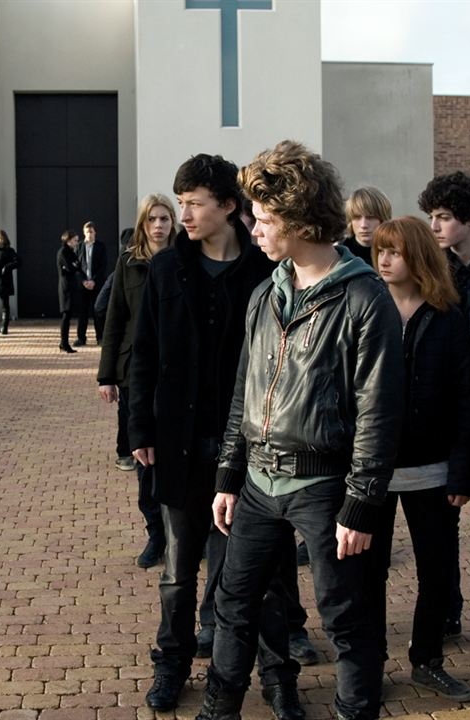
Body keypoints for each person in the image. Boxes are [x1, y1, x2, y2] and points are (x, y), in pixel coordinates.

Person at [196, 141, 404, 720]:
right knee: (233, 602)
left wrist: (361, 504)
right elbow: (244, 391)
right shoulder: (266, 293)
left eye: (263, 218)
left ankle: (355, 709)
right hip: (259, 485)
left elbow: (379, 411)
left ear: (298, 218)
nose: (253, 228)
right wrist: (228, 476)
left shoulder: (364, 298)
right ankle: (220, 709)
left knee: (345, 615)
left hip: (326, 485)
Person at [129, 153, 302, 717]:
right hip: (180, 442)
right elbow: (143, 356)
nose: (184, 214)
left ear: (229, 206)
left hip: (254, 448)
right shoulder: (164, 270)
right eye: (180, 203)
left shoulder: (266, 272)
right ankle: (173, 666)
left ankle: (279, 677)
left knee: (267, 571)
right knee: (179, 573)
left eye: (195, 203)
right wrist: (138, 428)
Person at [368, 216, 470, 703]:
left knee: (437, 571)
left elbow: (465, 397)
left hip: (433, 471)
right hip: (372, 469)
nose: (385, 259)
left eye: (395, 251)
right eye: (381, 251)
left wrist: (461, 469)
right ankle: (366, 664)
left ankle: (427, 660)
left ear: (418, 256)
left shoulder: (446, 314)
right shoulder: (365, 308)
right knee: (367, 573)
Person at [417, 169, 470, 642]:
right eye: (431, 216)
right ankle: (448, 609)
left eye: (443, 217)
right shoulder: (437, 269)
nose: (435, 226)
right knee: (442, 523)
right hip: (447, 411)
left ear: (469, 219)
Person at [97, 193, 177, 565]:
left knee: (177, 457)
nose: (159, 225)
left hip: (177, 374)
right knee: (144, 457)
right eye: (153, 219)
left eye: (165, 219)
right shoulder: (129, 263)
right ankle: (155, 533)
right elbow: (114, 320)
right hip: (135, 376)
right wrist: (106, 375)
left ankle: (187, 532)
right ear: (144, 224)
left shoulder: (185, 260)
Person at [340, 185, 392, 266]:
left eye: (370, 217)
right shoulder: (339, 255)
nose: (363, 225)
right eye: (357, 217)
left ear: (382, 219)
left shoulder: (397, 252)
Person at [76, 220, 108, 346]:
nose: (89, 234)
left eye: (91, 231)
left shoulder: (101, 246)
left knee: (98, 312)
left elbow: (103, 266)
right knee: (82, 313)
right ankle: (81, 338)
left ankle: (100, 338)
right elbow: (77, 267)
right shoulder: (79, 247)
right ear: (84, 233)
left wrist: (94, 280)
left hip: (96, 284)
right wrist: (83, 281)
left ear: (95, 233)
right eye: (87, 231)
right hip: (83, 285)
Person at [0, 229, 21, 335]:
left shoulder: (9, 251)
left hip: (4, 281)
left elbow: (18, 261)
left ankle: (5, 326)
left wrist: (7, 267)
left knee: (5, 304)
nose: (0, 240)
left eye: (1, 238)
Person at [56, 230, 81, 353]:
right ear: (69, 240)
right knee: (66, 315)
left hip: (71, 286)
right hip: (66, 287)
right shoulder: (63, 252)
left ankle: (63, 342)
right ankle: (64, 343)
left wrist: (74, 265)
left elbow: (78, 265)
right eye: (75, 240)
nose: (77, 243)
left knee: (68, 315)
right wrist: (73, 266)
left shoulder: (71, 252)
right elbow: (72, 267)